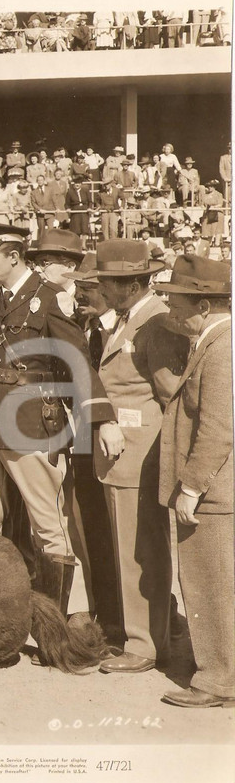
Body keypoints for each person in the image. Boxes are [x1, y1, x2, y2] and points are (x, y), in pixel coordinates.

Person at [0, 225, 119, 618]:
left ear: (14, 257)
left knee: (48, 524)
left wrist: (103, 418)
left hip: (31, 423)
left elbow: (76, 362)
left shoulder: (48, 300)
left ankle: (53, 625)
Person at [69, 241, 187, 674]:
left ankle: (144, 646)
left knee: (140, 552)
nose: (101, 288)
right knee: (136, 548)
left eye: (109, 282)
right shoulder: (130, 318)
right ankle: (157, 632)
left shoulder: (153, 323)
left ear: (134, 284)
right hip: (125, 455)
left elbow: (170, 392)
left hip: (138, 454)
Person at [155, 256, 234, 708]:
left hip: (216, 492)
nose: (170, 311)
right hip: (220, 489)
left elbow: (219, 427)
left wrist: (191, 487)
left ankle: (220, 679)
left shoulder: (222, 348)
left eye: (176, 303)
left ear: (204, 304)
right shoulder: (217, 341)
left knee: (211, 584)